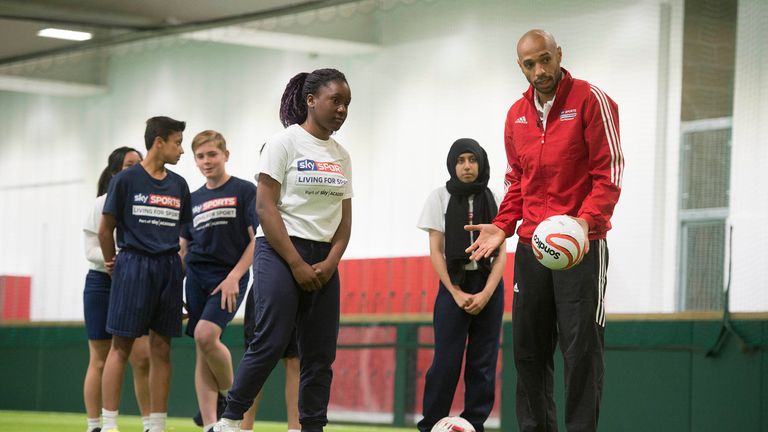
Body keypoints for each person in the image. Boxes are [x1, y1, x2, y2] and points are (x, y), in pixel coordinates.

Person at [466, 30, 623, 432]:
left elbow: (608, 174)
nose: (540, 70)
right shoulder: (515, 115)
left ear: (559, 55)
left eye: (545, 60)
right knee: (530, 355)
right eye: (530, 64)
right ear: (521, 67)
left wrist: (584, 223)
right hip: (532, 248)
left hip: (582, 247)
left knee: (581, 353)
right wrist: (503, 226)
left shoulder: (590, 99)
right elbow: (517, 180)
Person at [214, 67, 353, 432]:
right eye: (334, 100)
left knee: (320, 355)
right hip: (278, 250)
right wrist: (295, 262)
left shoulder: (342, 155)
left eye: (346, 104)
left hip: (324, 258)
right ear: (311, 101)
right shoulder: (284, 143)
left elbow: (345, 218)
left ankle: (311, 427)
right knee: (271, 340)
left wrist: (330, 262)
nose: (341, 109)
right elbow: (265, 207)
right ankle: (230, 419)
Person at [98, 116, 192, 432]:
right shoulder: (124, 181)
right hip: (132, 265)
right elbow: (105, 229)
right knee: (120, 347)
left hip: (167, 269)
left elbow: (184, 232)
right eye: (177, 142)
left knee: (162, 348)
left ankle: (156, 425)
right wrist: (114, 265)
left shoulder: (179, 185)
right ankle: (109, 424)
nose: (181, 150)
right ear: (159, 141)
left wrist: (179, 269)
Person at [416, 139, 506, 432]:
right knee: (446, 361)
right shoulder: (439, 197)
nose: (467, 166)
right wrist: (454, 292)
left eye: (472, 160)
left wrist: (487, 293)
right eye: (460, 160)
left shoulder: (494, 196)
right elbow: (436, 250)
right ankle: (432, 424)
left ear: (481, 163)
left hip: (488, 285)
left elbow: (502, 251)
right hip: (453, 284)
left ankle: (473, 424)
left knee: (483, 363)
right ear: (452, 165)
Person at [179, 130, 257, 432]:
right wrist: (175, 286)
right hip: (195, 278)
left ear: (225, 154)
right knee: (203, 346)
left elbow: (256, 241)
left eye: (212, 154)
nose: (206, 161)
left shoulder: (244, 190)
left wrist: (234, 277)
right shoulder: (192, 199)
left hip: (227, 279)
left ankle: (232, 401)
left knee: (206, 335)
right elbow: (183, 249)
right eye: (200, 156)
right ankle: (211, 424)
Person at [82, 147, 152, 432]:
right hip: (102, 284)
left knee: (142, 357)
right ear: (114, 172)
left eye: (138, 164)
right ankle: (95, 424)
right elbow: (91, 251)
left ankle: (150, 423)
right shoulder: (100, 204)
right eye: (128, 165)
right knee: (99, 359)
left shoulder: (143, 203)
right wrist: (121, 260)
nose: (134, 169)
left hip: (135, 285)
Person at [240, 197, 301, 432]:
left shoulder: (301, 200)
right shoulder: (262, 202)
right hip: (266, 286)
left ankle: (295, 427)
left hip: (298, 282)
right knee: (257, 356)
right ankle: (243, 425)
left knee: (295, 359)